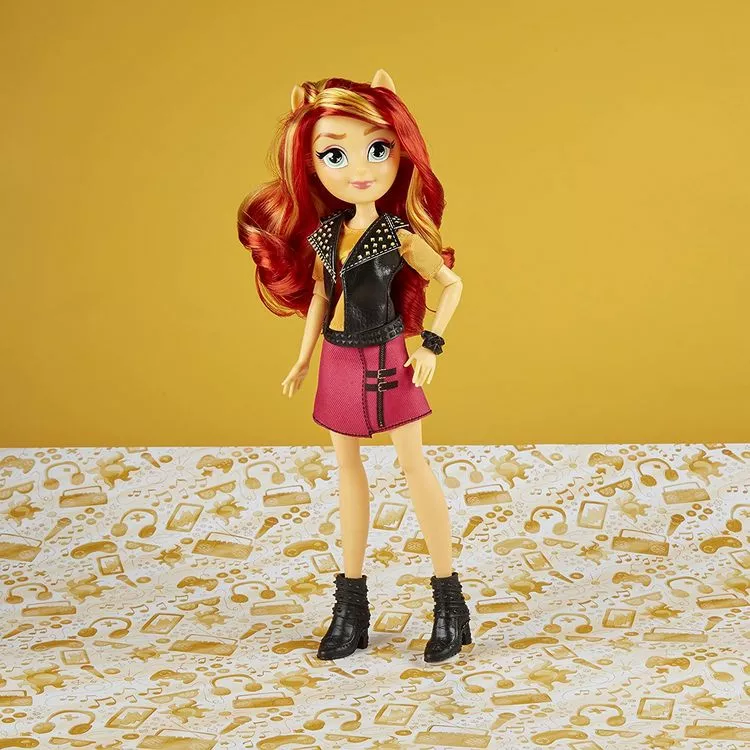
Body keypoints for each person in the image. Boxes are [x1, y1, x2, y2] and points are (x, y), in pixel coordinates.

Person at [238, 69, 471, 662]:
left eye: (378, 149)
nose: (360, 169)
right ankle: (351, 605)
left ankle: (449, 602)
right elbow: (322, 297)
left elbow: (452, 284)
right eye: (335, 155)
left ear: (400, 152)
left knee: (413, 464)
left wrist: (431, 344)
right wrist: (302, 357)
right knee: (347, 470)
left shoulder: (397, 235)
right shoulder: (326, 234)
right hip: (339, 356)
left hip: (390, 355)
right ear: (311, 164)